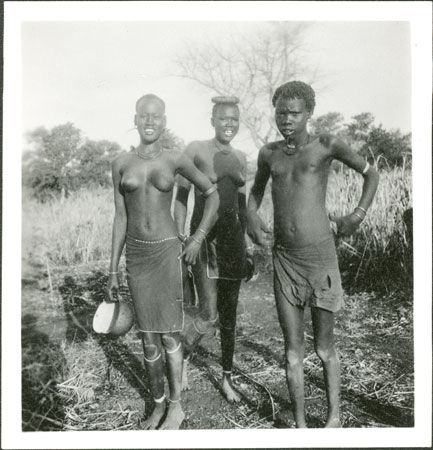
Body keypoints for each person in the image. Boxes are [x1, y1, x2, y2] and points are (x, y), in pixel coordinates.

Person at [247, 81, 379, 428]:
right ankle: (302, 427)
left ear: (309, 113)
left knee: (324, 348)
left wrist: (357, 216)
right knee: (293, 352)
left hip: (320, 257)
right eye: (281, 112)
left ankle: (333, 420)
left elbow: (372, 173)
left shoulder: (326, 145)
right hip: (284, 260)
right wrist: (252, 222)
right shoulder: (269, 154)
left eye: (294, 113)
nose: (287, 119)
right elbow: (253, 196)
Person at [106, 94, 219, 430]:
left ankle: (176, 407)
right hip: (137, 258)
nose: (150, 122)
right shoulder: (121, 163)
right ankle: (157, 406)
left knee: (170, 336)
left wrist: (196, 238)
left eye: (156, 116)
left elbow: (210, 194)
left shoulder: (175, 159)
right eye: (144, 116)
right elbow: (120, 218)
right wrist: (113, 268)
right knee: (147, 338)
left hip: (168, 254)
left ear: (164, 120)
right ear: (136, 119)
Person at [174, 96, 254, 402]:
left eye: (234, 119)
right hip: (203, 242)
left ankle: (226, 379)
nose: (229, 124)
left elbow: (243, 206)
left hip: (233, 243)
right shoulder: (196, 149)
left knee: (230, 318)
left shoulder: (242, 158)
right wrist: (183, 236)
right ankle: (180, 358)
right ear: (212, 120)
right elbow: (181, 195)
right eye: (223, 119)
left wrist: (247, 247)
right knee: (207, 315)